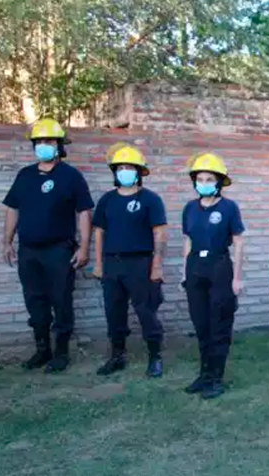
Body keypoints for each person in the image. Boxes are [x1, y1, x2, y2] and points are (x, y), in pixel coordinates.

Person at [2, 119, 94, 373]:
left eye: (49, 141)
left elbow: (84, 212)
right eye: (39, 141)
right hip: (28, 251)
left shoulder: (71, 176)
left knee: (61, 301)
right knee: (35, 301)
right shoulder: (25, 175)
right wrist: (7, 241)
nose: (43, 146)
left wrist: (84, 247)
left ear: (60, 145)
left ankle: (61, 353)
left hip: (59, 250)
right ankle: (42, 350)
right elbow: (12, 208)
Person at [92, 143, 167, 378]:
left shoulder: (150, 199)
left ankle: (155, 357)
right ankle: (117, 356)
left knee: (146, 311)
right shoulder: (106, 200)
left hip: (140, 264)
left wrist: (156, 265)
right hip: (112, 263)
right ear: (115, 172)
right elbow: (98, 233)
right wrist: (97, 263)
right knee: (114, 312)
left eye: (130, 167)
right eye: (121, 167)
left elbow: (160, 233)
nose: (125, 171)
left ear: (139, 172)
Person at [181, 153, 245, 400]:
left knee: (219, 324)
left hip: (219, 265)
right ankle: (204, 373)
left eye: (209, 179)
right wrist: (185, 271)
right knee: (201, 324)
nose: (204, 182)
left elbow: (238, 243)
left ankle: (216, 378)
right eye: (200, 178)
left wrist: (236, 277)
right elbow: (187, 239)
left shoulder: (229, 208)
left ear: (219, 182)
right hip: (196, 266)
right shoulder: (189, 208)